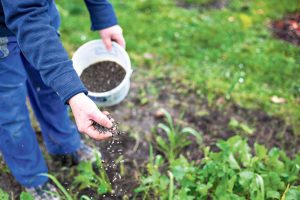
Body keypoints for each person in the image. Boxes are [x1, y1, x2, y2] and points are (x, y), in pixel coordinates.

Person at [0, 0, 125, 199]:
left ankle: (64, 146)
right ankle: (33, 178)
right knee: (10, 111)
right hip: (6, 31)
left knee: (50, 88)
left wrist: (103, 15)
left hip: (40, 15)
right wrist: (74, 93)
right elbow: (26, 14)